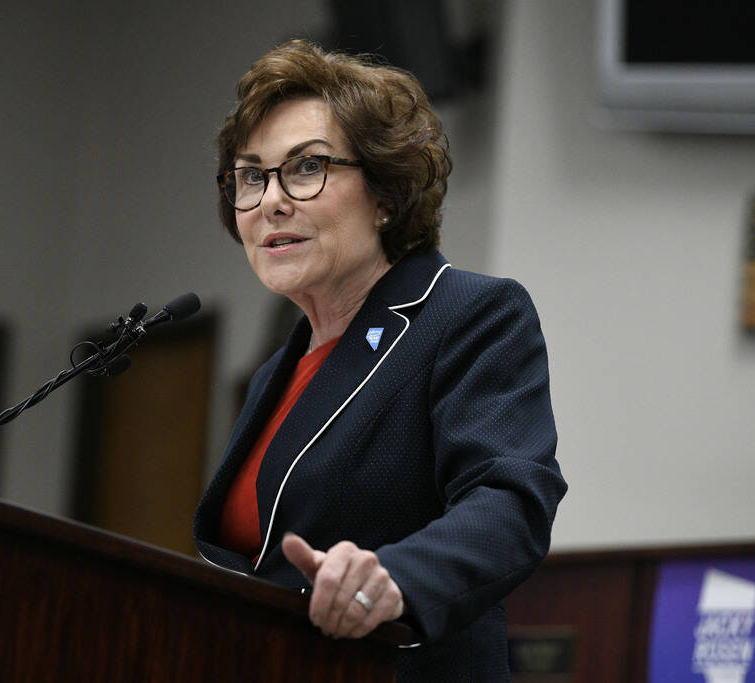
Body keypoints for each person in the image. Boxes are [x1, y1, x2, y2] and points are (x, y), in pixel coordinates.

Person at [192, 40, 567, 682]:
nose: (271, 200)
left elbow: (509, 501)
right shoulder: (271, 377)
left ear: (386, 194)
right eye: (251, 176)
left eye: (306, 167)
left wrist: (395, 580)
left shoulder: (468, 316)